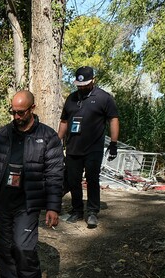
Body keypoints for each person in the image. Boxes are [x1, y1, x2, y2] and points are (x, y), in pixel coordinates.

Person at [0, 90, 63, 278]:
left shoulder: (48, 137)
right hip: (2, 202)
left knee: (24, 248)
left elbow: (55, 175)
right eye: (13, 112)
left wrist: (53, 207)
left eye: (20, 112)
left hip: (27, 202)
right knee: (4, 249)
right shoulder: (3, 135)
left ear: (32, 109)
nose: (16, 116)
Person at [58, 66, 120, 228]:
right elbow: (64, 121)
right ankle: (77, 210)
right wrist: (57, 141)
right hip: (73, 148)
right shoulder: (71, 98)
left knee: (92, 179)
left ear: (93, 80)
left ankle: (92, 212)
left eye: (85, 84)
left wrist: (114, 143)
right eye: (79, 84)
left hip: (93, 148)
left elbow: (113, 119)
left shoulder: (103, 98)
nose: (82, 87)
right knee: (73, 180)